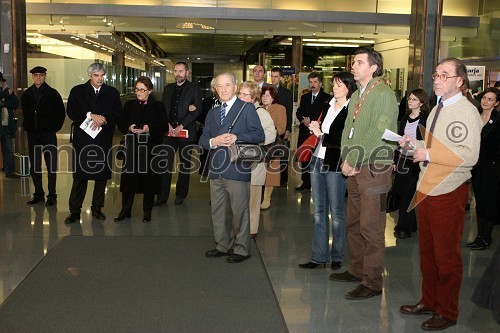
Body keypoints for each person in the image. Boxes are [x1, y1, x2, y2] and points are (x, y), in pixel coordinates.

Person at [399, 58, 482, 331]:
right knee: (428, 252)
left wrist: (428, 153)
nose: (437, 79)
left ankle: (447, 310)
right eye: (436, 74)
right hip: (428, 186)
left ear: (460, 81)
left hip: (448, 190)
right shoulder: (437, 108)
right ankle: (430, 300)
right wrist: (414, 143)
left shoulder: (467, 111)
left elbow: (469, 155)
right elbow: (434, 144)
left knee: (446, 256)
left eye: (445, 75)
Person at [330, 48, 398, 301]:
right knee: (354, 222)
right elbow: (350, 128)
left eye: (359, 62)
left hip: (373, 168)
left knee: (371, 227)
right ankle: (357, 270)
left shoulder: (382, 93)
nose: (354, 66)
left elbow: (379, 132)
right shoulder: (358, 94)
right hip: (356, 166)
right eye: (353, 62)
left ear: (373, 67)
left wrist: (354, 159)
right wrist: (346, 160)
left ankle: (372, 281)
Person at [200, 72, 264, 263]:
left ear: (235, 86)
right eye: (220, 86)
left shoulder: (246, 108)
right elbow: (203, 139)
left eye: (228, 85)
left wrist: (238, 137)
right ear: (215, 89)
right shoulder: (212, 112)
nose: (224, 89)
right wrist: (214, 140)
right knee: (218, 210)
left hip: (237, 167)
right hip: (216, 167)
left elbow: (259, 135)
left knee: (240, 210)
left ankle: (242, 249)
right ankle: (222, 244)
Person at [298, 72, 356, 271]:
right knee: (319, 211)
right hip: (317, 159)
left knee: (337, 211)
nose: (335, 87)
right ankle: (318, 256)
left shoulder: (352, 111)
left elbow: (343, 140)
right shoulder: (327, 105)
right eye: (334, 84)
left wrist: (321, 133)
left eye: (339, 85)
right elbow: (322, 132)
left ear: (348, 88)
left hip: (334, 163)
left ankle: (337, 255)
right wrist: (317, 128)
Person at [64, 63, 123, 224]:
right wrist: (91, 115)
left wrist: (103, 120)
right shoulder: (77, 91)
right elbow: (72, 111)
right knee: (80, 176)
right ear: (89, 75)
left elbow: (117, 113)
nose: (100, 79)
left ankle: (97, 208)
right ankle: (75, 211)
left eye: (102, 75)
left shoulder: (111, 92)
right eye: (96, 75)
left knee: (101, 176)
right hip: (83, 140)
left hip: (103, 138)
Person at [114, 76, 168, 223]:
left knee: (149, 181)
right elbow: (121, 122)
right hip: (132, 148)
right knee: (129, 181)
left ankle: (147, 212)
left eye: (142, 90)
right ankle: (125, 211)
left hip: (151, 148)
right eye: (137, 89)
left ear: (149, 91)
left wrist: (149, 129)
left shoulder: (158, 107)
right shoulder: (129, 105)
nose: (138, 92)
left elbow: (163, 127)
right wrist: (128, 127)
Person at [155, 62, 202, 206]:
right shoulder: (168, 88)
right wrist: (168, 125)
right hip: (169, 132)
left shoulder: (194, 88)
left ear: (187, 73)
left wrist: (181, 126)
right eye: (176, 71)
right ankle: (162, 196)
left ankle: (180, 194)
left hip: (186, 131)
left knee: (185, 164)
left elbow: (197, 110)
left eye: (181, 71)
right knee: (165, 163)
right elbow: (163, 109)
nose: (178, 74)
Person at [237, 81, 276, 239]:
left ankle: (252, 229)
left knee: (253, 197)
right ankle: (238, 227)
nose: (242, 97)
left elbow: (271, 134)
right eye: (240, 94)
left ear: (254, 98)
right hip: (236, 160)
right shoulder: (236, 111)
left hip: (254, 161)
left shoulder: (261, 113)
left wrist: (251, 140)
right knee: (238, 197)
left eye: (246, 95)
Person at [21, 66, 66, 206]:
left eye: (41, 75)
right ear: (32, 77)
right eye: (35, 75)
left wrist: (53, 128)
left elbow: (60, 113)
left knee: (51, 165)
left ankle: (52, 196)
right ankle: (38, 194)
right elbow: (25, 112)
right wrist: (28, 127)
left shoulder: (52, 93)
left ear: (45, 76)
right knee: (35, 166)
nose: (38, 77)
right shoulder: (27, 94)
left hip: (48, 134)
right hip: (33, 134)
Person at [466, 87, 500, 250]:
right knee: (479, 201)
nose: (486, 101)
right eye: (485, 98)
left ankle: (487, 237)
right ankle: (480, 236)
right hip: (476, 165)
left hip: (492, 166)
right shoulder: (475, 117)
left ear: (497, 103)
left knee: (489, 201)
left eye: (490, 99)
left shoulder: (498, 119)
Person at [392, 88, 429, 239]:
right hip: (402, 158)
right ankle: (410, 223)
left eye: (414, 99)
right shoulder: (405, 117)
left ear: (421, 102)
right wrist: (395, 160)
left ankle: (403, 226)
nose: (410, 101)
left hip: (416, 161)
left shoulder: (426, 118)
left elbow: (428, 140)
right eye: (409, 99)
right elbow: (399, 138)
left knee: (408, 194)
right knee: (401, 193)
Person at [295, 72, 331, 191]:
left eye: (315, 82)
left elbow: (327, 115)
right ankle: (305, 182)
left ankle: (318, 183)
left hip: (318, 133)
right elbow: (299, 111)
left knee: (316, 158)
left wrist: (315, 122)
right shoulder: (305, 97)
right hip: (305, 131)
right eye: (311, 82)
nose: (313, 84)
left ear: (320, 83)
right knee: (304, 156)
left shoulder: (327, 98)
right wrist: (303, 120)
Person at [260, 86, 286, 210]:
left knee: (271, 174)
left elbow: (281, 128)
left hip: (273, 144)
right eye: (263, 95)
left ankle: (267, 198)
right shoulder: (257, 109)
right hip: (258, 144)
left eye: (268, 95)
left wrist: (267, 132)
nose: (265, 98)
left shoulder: (280, 109)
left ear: (273, 97)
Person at [270, 68, 293, 186]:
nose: (274, 79)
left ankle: (283, 179)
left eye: (276, 76)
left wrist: (288, 129)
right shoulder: (266, 91)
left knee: (283, 153)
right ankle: (271, 177)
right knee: (271, 153)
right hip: (270, 126)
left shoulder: (287, 93)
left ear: (281, 78)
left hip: (282, 126)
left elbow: (289, 111)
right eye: (272, 76)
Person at [198, 78, 220, 177]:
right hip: (208, 133)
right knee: (206, 159)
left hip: (222, 135)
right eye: (216, 86)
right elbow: (200, 116)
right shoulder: (207, 101)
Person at [0, 72, 19, 179]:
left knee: (8, 149)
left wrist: (3, 102)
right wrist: (5, 95)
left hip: (6, 126)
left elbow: (15, 104)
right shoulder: (6, 92)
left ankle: (10, 171)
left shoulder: (9, 93)